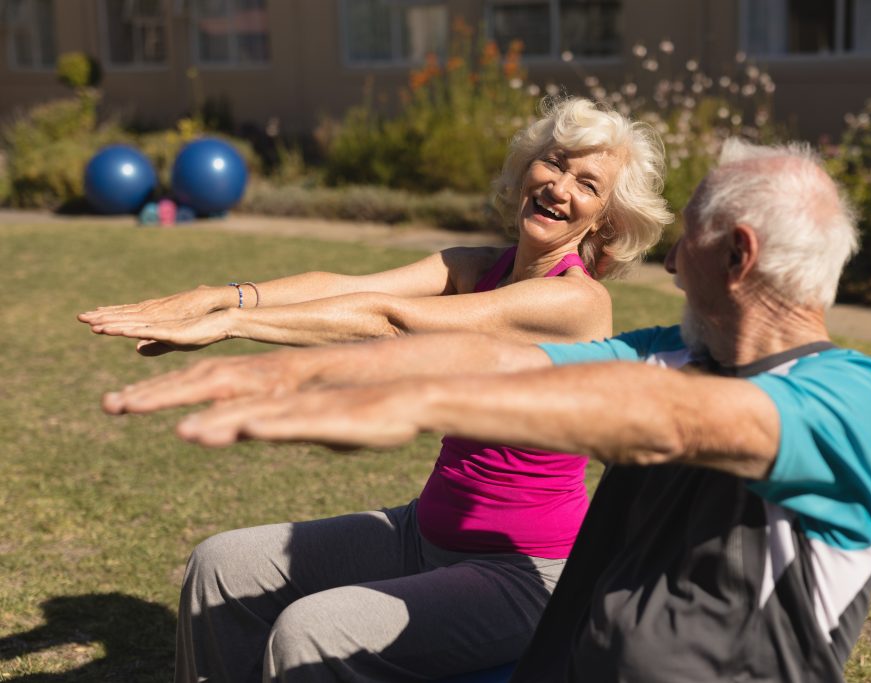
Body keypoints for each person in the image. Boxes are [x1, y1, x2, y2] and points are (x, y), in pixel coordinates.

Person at [104, 138, 871, 682]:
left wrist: (414, 397)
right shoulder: (681, 347)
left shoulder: (855, 399)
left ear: (737, 254)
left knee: (313, 629)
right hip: (581, 654)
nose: (669, 260)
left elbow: (676, 416)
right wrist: (298, 369)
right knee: (226, 562)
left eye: (687, 239)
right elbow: (503, 359)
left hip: (546, 594)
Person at [87, 97, 675, 683]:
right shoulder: (475, 267)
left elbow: (391, 320)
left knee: (310, 630)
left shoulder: (575, 302)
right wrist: (221, 295)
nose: (560, 186)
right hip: (423, 533)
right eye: (554, 162)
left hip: (523, 575)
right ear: (527, 168)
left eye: (588, 183)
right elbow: (349, 285)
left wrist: (231, 325)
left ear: (604, 220)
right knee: (221, 565)